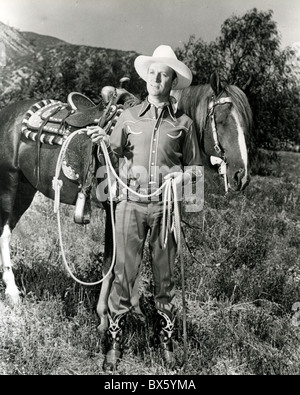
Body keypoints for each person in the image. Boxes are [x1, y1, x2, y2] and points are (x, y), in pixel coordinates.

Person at [87, 45, 202, 371]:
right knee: (123, 275)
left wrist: (183, 187)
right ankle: (114, 341)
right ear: (147, 78)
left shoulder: (184, 124)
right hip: (130, 207)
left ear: (171, 82)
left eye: (163, 74)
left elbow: (195, 171)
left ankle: (166, 340)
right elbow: (110, 154)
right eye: (152, 73)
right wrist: (100, 140)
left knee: (164, 279)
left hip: (166, 211)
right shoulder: (127, 116)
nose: (155, 78)